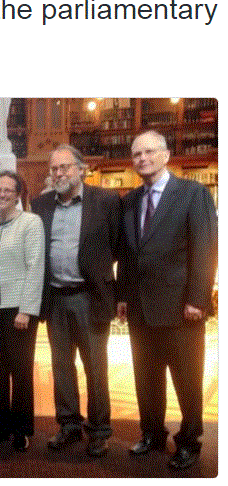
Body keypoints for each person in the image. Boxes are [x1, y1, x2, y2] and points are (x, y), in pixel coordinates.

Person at [117, 130, 217, 470]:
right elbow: (128, 257)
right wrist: (122, 297)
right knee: (146, 377)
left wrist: (198, 299)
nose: (141, 159)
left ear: (166, 155)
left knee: (187, 380)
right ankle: (152, 434)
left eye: (148, 152)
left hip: (181, 310)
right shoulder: (130, 200)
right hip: (140, 309)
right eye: (136, 154)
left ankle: (189, 441)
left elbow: (204, 248)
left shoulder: (192, 193)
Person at [31, 144, 120, 457]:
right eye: (54, 168)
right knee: (61, 367)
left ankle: (99, 431)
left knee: (96, 368)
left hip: (90, 297)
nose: (59, 173)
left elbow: (119, 246)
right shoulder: (40, 203)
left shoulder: (106, 201)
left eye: (65, 167)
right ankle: (68, 425)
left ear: (81, 169)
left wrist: (115, 294)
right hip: (55, 298)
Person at [0, 171, 45, 451]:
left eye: (7, 190)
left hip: (18, 309)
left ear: (18, 194)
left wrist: (26, 309)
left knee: (20, 370)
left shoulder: (30, 223)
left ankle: (21, 431)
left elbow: (35, 266)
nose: (1, 194)